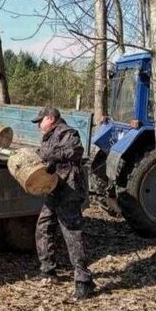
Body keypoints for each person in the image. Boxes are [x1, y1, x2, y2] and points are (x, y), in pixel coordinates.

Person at [32, 107, 95, 299]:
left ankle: (84, 281)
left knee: (72, 234)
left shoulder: (67, 133)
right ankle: (48, 271)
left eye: (40, 121)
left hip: (69, 189)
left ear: (51, 119)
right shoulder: (50, 135)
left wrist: (51, 156)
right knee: (43, 227)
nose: (38, 125)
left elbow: (76, 151)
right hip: (55, 188)